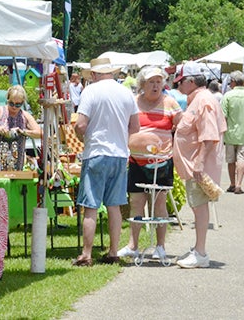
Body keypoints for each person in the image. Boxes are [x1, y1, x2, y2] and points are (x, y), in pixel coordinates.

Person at [72, 58, 140, 266]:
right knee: (114, 206)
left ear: (93, 75)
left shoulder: (90, 92)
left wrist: (81, 135)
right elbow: (135, 127)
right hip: (119, 154)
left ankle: (86, 253)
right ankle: (113, 251)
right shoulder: (126, 92)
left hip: (96, 152)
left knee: (91, 206)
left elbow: (81, 124)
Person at [117, 67, 182, 261]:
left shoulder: (170, 103)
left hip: (161, 162)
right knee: (136, 202)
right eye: (151, 82)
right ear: (142, 85)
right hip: (136, 161)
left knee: (159, 203)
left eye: (158, 82)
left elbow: (181, 128)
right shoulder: (134, 103)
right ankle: (132, 245)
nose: (155, 86)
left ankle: (160, 247)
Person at [172, 61, 227, 268]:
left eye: (180, 82)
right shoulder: (198, 99)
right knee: (197, 206)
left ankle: (201, 252)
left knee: (199, 206)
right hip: (194, 165)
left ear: (191, 81)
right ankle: (198, 249)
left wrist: (199, 162)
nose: (178, 86)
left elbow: (210, 136)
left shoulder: (203, 101)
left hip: (198, 167)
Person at [0, 85, 42, 171]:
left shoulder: (25, 116)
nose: (14, 107)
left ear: (22, 103)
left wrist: (23, 132)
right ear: (7, 100)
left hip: (16, 164)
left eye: (18, 104)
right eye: (11, 103)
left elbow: (40, 133)